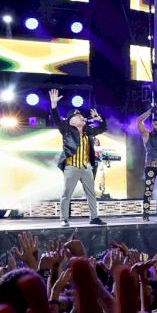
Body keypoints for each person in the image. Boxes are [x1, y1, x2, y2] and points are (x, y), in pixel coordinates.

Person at [46, 89, 106, 228]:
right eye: (77, 116)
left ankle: (94, 217)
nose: (81, 117)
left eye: (81, 116)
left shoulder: (88, 131)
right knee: (67, 194)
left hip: (86, 168)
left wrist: (99, 118)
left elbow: (103, 128)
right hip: (71, 167)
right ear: (71, 121)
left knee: (91, 194)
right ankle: (64, 218)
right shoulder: (66, 130)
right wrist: (54, 105)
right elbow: (56, 119)